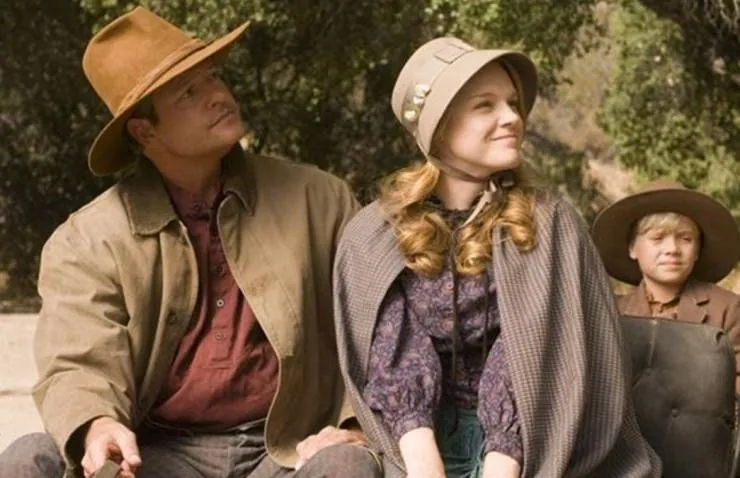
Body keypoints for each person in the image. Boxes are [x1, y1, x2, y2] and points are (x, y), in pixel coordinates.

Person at [0, 7, 382, 478]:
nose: (219, 95)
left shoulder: (319, 199)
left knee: (345, 464)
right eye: (188, 92)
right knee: (27, 458)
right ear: (145, 131)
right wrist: (99, 425)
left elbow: (377, 330)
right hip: (157, 455)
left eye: (213, 78)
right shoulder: (87, 240)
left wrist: (352, 427)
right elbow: (77, 362)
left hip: (288, 450)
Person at [332, 37, 662, 478]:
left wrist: (503, 462)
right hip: (412, 446)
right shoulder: (375, 233)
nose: (512, 118)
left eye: (512, 103)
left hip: (541, 442)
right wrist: (423, 465)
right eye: (485, 105)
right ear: (439, 127)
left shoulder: (550, 223)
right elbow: (393, 354)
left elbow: (539, 350)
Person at [591, 179, 740, 391]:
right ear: (632, 248)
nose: (672, 249)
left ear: (697, 250)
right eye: (658, 238)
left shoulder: (728, 310)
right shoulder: (611, 313)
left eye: (685, 239)